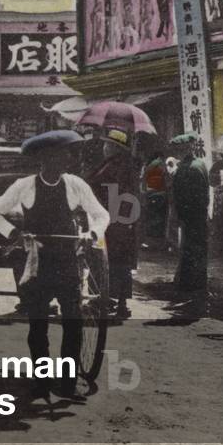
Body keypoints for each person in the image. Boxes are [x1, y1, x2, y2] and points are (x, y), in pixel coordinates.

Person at [0, 129, 109, 399]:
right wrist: (13, 233)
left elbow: (102, 215)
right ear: (44, 160)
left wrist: (92, 234)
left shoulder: (75, 184)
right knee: (38, 324)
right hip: (37, 262)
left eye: (64, 157)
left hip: (67, 261)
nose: (63, 161)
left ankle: (67, 381)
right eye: (56, 157)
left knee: (73, 320)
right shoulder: (24, 186)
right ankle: (41, 380)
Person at [87, 129, 138, 318]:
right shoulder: (125, 165)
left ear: (115, 148)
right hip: (124, 222)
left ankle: (104, 299)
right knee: (122, 263)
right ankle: (120, 302)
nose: (104, 148)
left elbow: (99, 188)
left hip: (112, 222)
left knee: (106, 261)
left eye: (107, 145)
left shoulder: (114, 167)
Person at [170, 133, 210, 297]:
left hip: (189, 215)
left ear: (183, 150)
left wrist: (178, 216)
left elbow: (178, 195)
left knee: (189, 248)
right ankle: (200, 282)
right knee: (200, 248)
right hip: (200, 213)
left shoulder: (184, 169)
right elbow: (205, 192)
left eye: (178, 150)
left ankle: (188, 283)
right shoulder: (201, 164)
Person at [142, 150, 169, 250]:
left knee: (152, 220)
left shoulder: (151, 165)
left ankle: (151, 243)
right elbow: (162, 181)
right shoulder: (160, 165)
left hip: (151, 194)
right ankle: (156, 244)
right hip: (158, 194)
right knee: (158, 221)